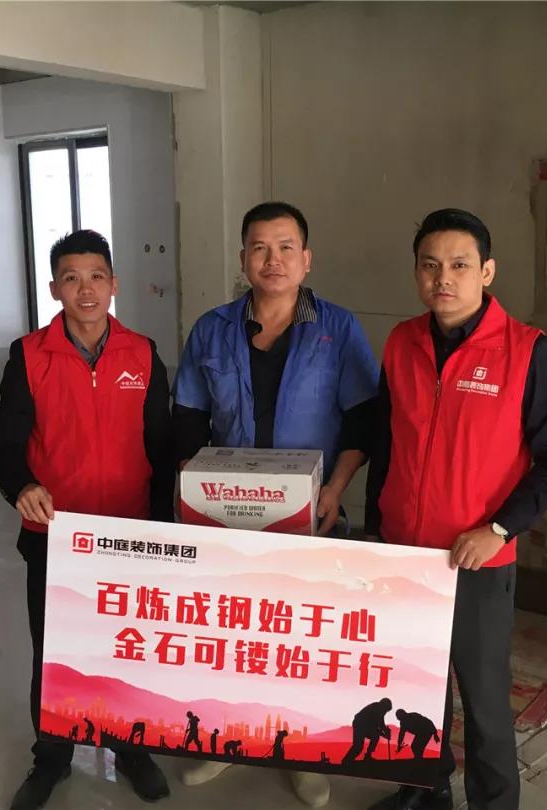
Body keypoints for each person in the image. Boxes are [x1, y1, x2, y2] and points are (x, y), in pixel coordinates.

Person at [365, 209, 547, 810]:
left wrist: (498, 530)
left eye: (459, 265)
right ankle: (424, 791)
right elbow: (387, 441)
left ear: (486, 272)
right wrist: (376, 529)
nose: (443, 278)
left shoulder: (525, 351)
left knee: (484, 701)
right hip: (405, 552)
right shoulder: (401, 342)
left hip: (476, 560)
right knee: (415, 688)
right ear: (416, 273)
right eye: (430, 265)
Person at [173, 201, 379, 807]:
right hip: (227, 515)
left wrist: (335, 491)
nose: (273, 259)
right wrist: (195, 490)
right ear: (243, 259)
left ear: (307, 259)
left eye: (286, 247)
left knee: (299, 643)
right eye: (260, 248)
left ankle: (301, 752)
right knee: (233, 636)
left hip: (309, 516)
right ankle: (226, 740)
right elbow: (187, 420)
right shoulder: (211, 329)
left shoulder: (338, 330)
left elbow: (365, 422)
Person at [0, 230, 174, 810]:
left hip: (129, 534)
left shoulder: (143, 353)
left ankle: (131, 748)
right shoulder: (28, 355)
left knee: (126, 649)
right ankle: (52, 757)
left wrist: (164, 530)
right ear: (54, 289)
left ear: (114, 285)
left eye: (96, 277)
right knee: (57, 652)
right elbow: (2, 444)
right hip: (57, 538)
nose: (85, 290)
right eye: (71, 278)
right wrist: (21, 486)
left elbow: (161, 448)